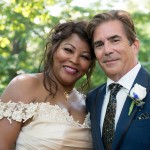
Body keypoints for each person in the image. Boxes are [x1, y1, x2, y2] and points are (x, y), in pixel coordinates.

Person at [0, 20, 96, 150]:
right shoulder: (25, 85)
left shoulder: (87, 103)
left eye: (84, 57)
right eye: (68, 50)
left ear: (90, 64)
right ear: (53, 48)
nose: (74, 60)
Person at [86, 9, 150, 150]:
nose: (107, 50)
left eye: (115, 40)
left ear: (134, 45)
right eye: (99, 45)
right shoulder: (91, 99)